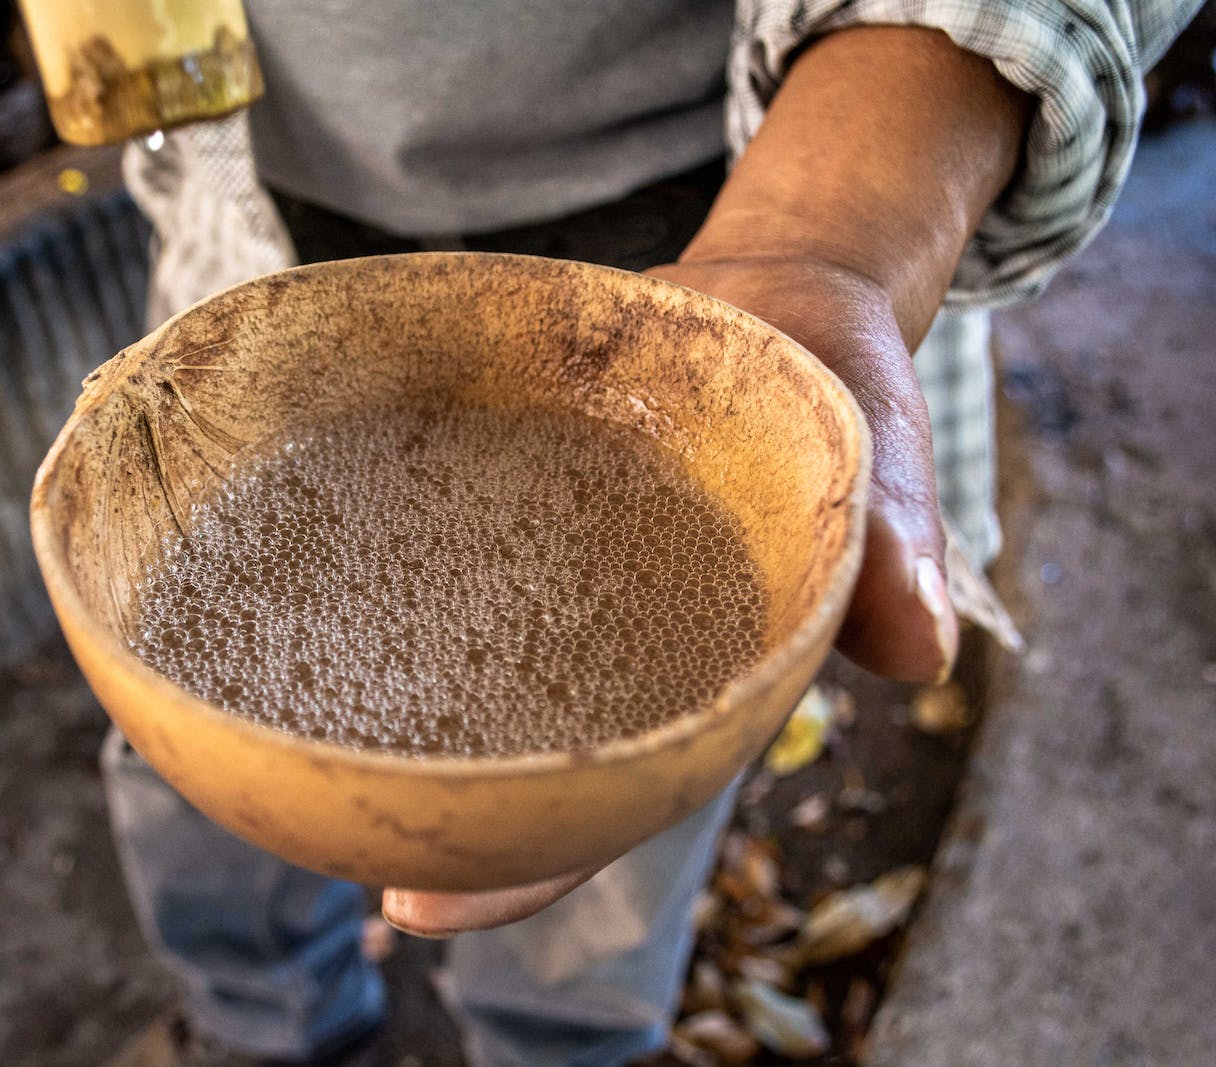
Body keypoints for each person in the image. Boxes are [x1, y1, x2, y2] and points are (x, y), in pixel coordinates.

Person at [105, 2, 1199, 1064]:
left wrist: (822, 239)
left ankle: (557, 1046)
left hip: (720, 208)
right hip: (251, 210)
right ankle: (256, 1019)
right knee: (184, 759)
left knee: (606, 843)